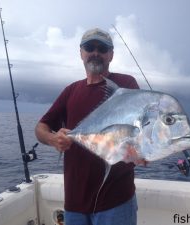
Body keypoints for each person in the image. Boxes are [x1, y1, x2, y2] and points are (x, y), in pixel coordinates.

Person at [35, 28, 139, 225]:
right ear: (81, 52)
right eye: (90, 47)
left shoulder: (126, 85)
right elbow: (41, 127)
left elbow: (138, 129)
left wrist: (142, 150)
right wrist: (52, 138)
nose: (96, 53)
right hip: (74, 203)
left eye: (103, 48)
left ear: (111, 54)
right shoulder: (71, 91)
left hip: (116, 200)